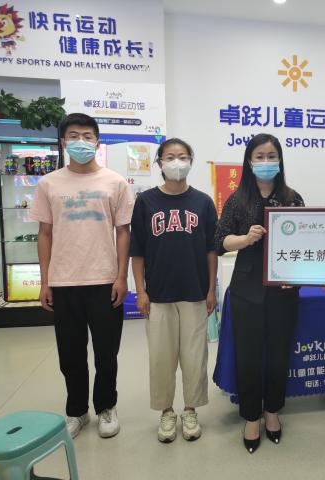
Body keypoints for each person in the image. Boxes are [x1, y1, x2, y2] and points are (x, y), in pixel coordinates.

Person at [30, 113, 134, 439]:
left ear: (97, 141)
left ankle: (106, 406)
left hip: (104, 280)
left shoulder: (115, 182)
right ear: (63, 141)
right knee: (70, 354)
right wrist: (45, 282)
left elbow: (123, 232)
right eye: (73, 135)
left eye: (87, 136)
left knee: (106, 352)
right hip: (64, 282)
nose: (81, 141)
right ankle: (77, 411)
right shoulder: (49, 183)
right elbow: (44, 234)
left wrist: (121, 277)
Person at [214, 133, 304, 453]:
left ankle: (273, 412)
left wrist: (298, 276)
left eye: (271, 156)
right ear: (249, 161)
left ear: (280, 160)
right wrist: (244, 239)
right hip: (246, 289)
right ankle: (252, 416)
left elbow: (305, 244)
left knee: (279, 354)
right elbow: (220, 241)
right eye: (260, 156)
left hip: (284, 290)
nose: (266, 162)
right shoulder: (237, 199)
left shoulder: (293, 198)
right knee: (248, 356)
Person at [129, 138, 218, 443]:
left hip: (195, 293)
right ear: (159, 163)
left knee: (195, 357)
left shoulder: (203, 202)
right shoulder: (146, 201)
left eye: (182, 156)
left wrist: (211, 289)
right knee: (161, 358)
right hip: (159, 295)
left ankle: (190, 409)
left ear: (191, 161)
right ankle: (167, 411)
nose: (176, 162)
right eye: (170, 157)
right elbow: (137, 251)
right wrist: (140, 291)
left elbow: (211, 250)